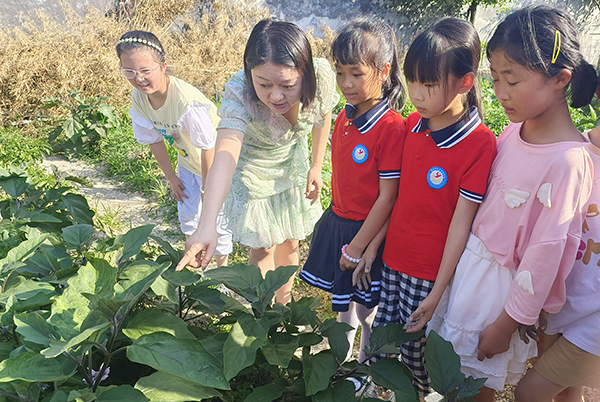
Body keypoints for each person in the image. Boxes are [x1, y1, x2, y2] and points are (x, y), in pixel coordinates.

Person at [427, 6, 597, 401]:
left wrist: (507, 325)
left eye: (513, 80)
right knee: (457, 377)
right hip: (473, 269)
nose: (500, 92)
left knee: (476, 384)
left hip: (501, 289)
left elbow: (544, 256)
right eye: (495, 78)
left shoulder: (568, 160)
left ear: (560, 80)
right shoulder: (515, 128)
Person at [354, 17, 497, 398]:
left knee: (420, 359)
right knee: (385, 341)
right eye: (411, 80)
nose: (415, 93)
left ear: (465, 82)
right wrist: (372, 247)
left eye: (428, 84)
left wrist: (436, 294)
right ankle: (383, 390)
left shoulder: (479, 143)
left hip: (429, 274)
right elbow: (398, 198)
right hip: (394, 260)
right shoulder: (413, 125)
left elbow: (460, 224)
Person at [176, 20, 338, 303]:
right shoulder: (239, 93)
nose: (276, 96)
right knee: (263, 247)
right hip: (253, 173)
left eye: (288, 85)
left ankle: (283, 304)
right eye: (264, 84)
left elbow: (323, 116)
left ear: (305, 73)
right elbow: (226, 153)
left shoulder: (321, 75)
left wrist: (315, 164)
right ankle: (263, 312)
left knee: (290, 239)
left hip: (292, 166)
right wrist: (207, 223)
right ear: (250, 74)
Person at [298, 18, 406, 365]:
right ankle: (342, 361)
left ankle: (366, 364)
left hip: (367, 232)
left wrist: (359, 247)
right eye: (340, 72)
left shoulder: (391, 127)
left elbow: (388, 197)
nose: (346, 84)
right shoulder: (346, 117)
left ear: (383, 70)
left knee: (367, 308)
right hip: (340, 220)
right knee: (343, 302)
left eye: (356, 74)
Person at [116, 30, 232, 266]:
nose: (138, 78)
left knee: (217, 219)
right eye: (129, 71)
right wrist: (170, 176)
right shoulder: (139, 98)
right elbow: (154, 140)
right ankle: (194, 260)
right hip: (188, 162)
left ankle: (222, 274)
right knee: (189, 213)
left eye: (145, 70)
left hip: (218, 164)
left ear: (163, 66)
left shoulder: (185, 100)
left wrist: (208, 188)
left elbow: (208, 146)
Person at [514, 88, 600, 401]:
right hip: (560, 305)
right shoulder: (572, 152)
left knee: (529, 393)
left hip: (595, 324)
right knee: (567, 393)